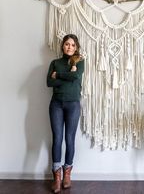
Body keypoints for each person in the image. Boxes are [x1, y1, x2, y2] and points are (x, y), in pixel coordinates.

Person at [47, 34, 84, 193]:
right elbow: (49, 82)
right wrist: (68, 76)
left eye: (72, 45)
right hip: (56, 104)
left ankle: (67, 175)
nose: (69, 47)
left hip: (73, 105)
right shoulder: (55, 62)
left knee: (69, 139)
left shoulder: (79, 62)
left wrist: (59, 75)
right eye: (67, 44)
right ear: (63, 46)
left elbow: (75, 76)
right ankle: (57, 177)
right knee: (57, 139)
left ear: (76, 47)